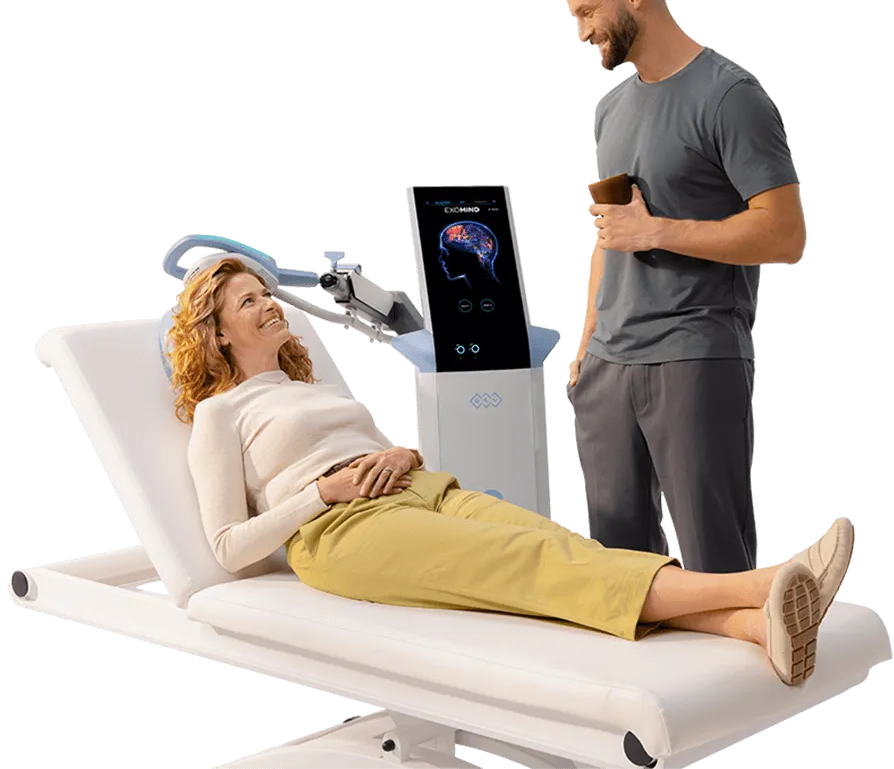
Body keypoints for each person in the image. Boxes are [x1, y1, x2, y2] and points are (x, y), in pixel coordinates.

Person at [169, 258, 850, 687]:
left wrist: (402, 453)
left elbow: (385, 447)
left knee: (567, 550)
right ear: (219, 334)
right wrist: (324, 491)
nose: (269, 304)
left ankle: (756, 629)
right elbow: (230, 547)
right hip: (340, 532)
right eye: (248, 302)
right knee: (531, 563)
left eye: (265, 293)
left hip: (420, 490)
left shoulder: (312, 389)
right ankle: (768, 582)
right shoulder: (220, 414)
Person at [554, 0, 806, 572]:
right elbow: (609, 232)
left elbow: (785, 232)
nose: (583, 33)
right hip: (609, 364)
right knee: (619, 576)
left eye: (587, 13)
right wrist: (586, 346)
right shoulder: (612, 108)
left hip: (694, 357)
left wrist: (658, 231)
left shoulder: (730, 96)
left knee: (712, 564)